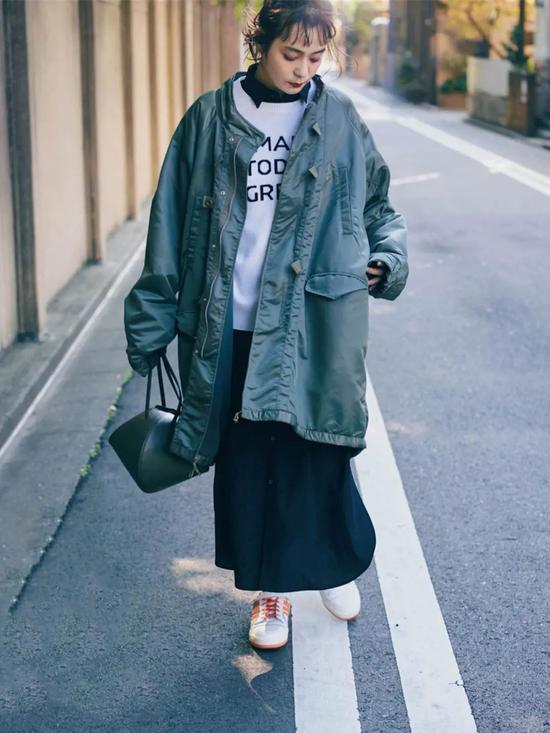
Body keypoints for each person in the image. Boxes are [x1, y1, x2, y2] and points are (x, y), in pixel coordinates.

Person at [123, 0, 408, 651]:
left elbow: (379, 204)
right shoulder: (209, 118)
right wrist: (151, 321)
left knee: (318, 445)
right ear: (260, 44)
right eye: (291, 54)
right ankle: (271, 591)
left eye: (316, 57)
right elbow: (168, 222)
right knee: (251, 461)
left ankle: (329, 562)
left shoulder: (338, 118)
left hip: (315, 318)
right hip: (231, 321)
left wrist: (387, 258)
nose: (303, 69)